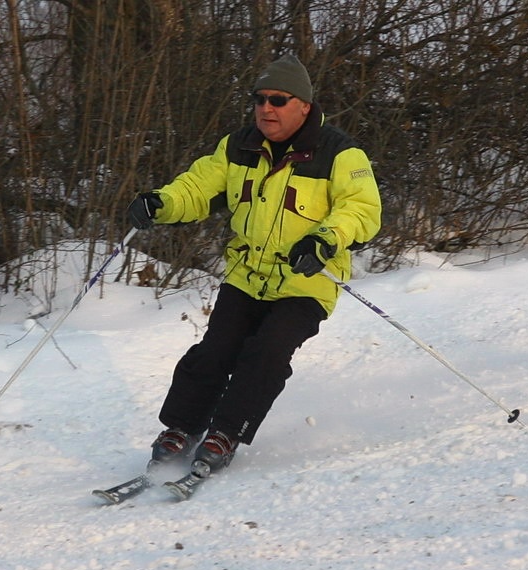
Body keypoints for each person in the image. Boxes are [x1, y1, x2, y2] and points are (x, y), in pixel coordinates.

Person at [126, 54, 382, 479]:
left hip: (306, 280)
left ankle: (225, 433)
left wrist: (325, 240)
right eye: (259, 99)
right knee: (215, 351)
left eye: (278, 100)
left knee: (265, 354)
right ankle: (182, 428)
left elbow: (362, 209)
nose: (267, 108)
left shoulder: (340, 153)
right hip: (248, 275)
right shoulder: (238, 145)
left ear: (303, 105)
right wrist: (161, 203)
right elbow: (197, 187)